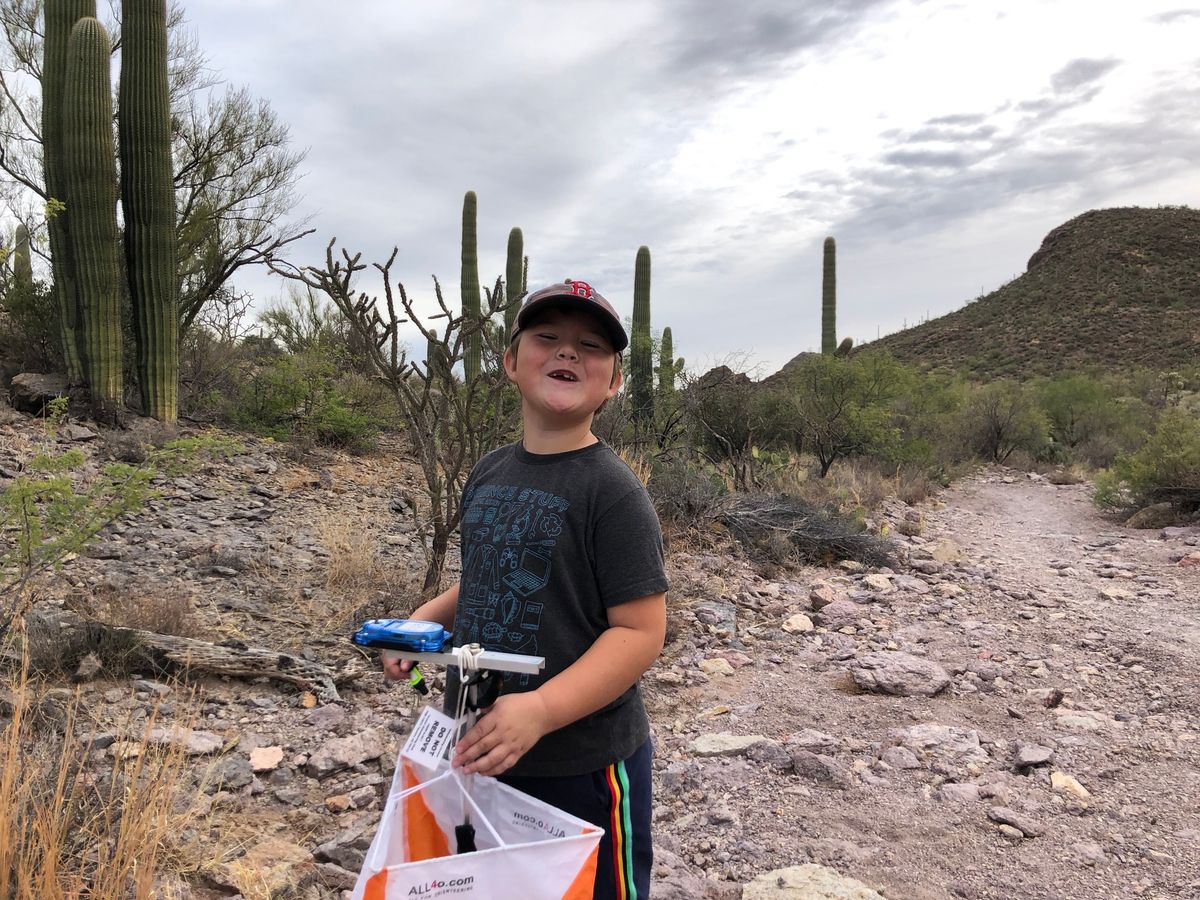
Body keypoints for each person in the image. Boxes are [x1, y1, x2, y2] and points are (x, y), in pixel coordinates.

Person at [382, 280, 669, 900]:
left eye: (591, 346)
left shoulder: (614, 493)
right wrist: (420, 622)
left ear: (614, 381)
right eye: (548, 339)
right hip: (482, 745)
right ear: (511, 362)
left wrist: (541, 710)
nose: (568, 353)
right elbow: (484, 576)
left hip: (582, 761)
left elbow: (641, 632)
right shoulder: (489, 470)